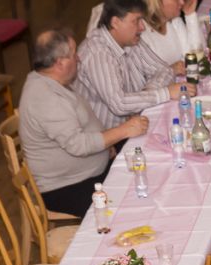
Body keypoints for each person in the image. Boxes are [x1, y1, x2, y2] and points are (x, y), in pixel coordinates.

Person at [19, 28, 148, 216]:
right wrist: (122, 131)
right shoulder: (46, 98)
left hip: (91, 169)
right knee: (135, 200)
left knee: (143, 155)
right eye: (73, 54)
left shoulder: (48, 80)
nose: (78, 58)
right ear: (60, 63)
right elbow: (78, 145)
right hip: (67, 187)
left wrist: (107, 143)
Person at [76, 0, 191, 130]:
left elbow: (164, 70)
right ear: (115, 22)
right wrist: (165, 93)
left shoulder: (129, 40)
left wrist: (141, 101)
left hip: (134, 123)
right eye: (136, 21)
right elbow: (120, 104)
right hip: (108, 135)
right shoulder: (97, 53)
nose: (142, 27)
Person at [140, 0, 204, 67]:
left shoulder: (175, 21)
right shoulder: (141, 33)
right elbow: (146, 72)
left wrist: (190, 14)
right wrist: (170, 69)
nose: (182, 2)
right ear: (157, 2)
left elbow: (195, 55)